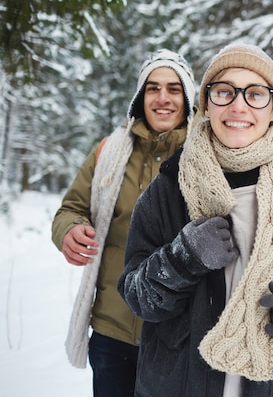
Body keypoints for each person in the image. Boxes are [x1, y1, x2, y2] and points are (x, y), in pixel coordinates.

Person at [117, 43, 273, 397]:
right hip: (179, 384)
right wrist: (183, 258)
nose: (238, 105)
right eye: (224, 91)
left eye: (256, 94)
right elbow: (137, 296)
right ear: (207, 104)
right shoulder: (167, 188)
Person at [51, 49, 196, 396]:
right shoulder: (109, 151)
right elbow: (70, 208)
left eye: (174, 89)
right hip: (110, 332)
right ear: (139, 96)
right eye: (153, 88)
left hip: (177, 334)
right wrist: (69, 230)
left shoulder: (205, 157)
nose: (163, 98)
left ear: (189, 99)